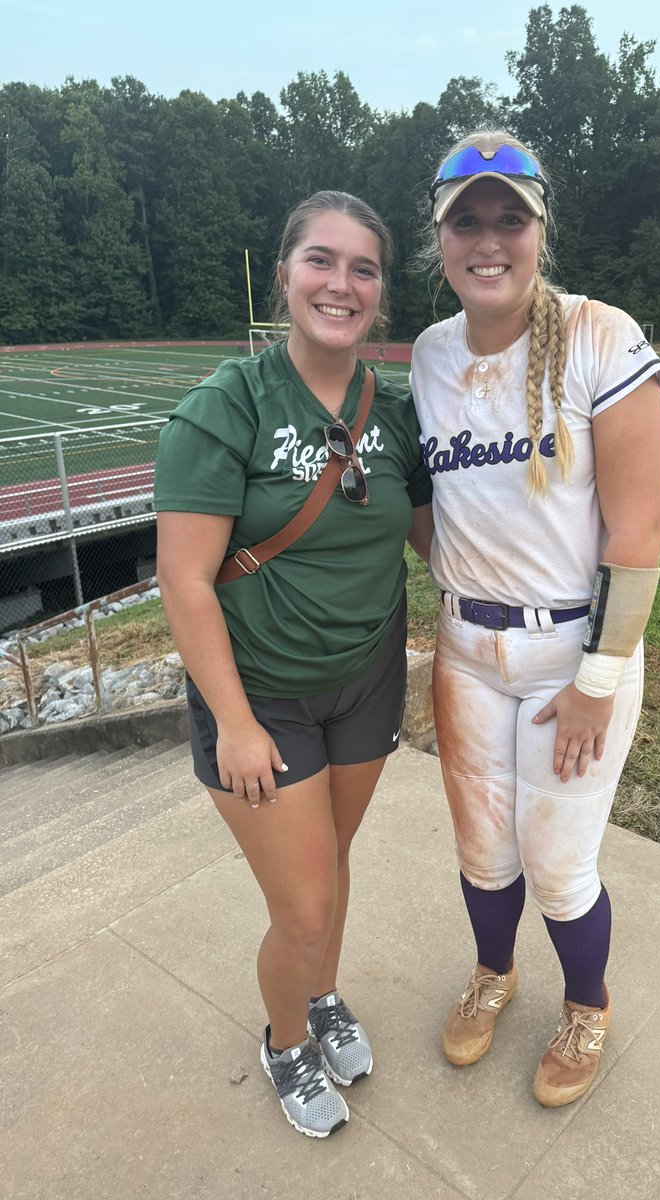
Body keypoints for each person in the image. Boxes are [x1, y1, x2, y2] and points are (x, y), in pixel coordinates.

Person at [154, 191, 433, 1138]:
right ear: (285, 275)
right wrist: (232, 721)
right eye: (322, 260)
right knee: (304, 905)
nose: (341, 284)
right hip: (260, 697)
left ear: (381, 294)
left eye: (363, 268)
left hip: (366, 682)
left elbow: (443, 541)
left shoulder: (393, 414)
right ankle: (284, 1040)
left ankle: (322, 999)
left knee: (332, 869)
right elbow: (185, 579)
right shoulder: (223, 408)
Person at [410, 133, 660, 1108]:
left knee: (559, 866)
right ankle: (493, 973)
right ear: (439, 238)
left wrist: (601, 678)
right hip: (469, 651)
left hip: (575, 650)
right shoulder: (432, 355)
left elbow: (639, 528)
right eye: (465, 221)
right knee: (484, 850)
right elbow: (427, 503)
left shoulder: (600, 335)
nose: (488, 240)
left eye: (507, 218)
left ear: (538, 228)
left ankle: (587, 1003)